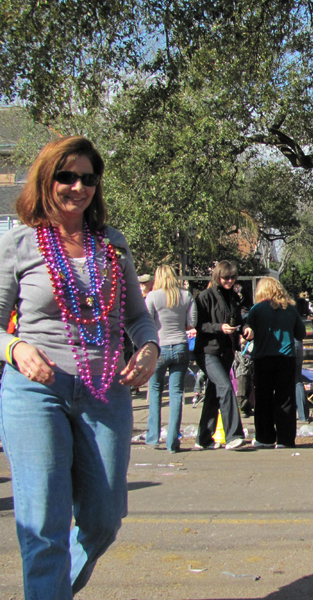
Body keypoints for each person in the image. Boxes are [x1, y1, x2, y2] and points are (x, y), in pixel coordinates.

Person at [0, 136, 160, 599]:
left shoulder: (112, 244)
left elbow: (136, 317)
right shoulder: (19, 243)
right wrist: (14, 349)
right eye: (66, 176)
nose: (77, 187)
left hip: (104, 390)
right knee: (43, 523)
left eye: (88, 178)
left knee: (104, 519)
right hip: (36, 392)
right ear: (46, 180)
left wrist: (147, 348)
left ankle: (52, 590)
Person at [243, 277, 306, 449]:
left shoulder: (256, 310)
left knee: (263, 399)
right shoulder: (290, 310)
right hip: (286, 358)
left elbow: (249, 332)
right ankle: (285, 439)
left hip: (263, 357)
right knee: (285, 399)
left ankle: (265, 438)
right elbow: (300, 333)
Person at [193, 260, 246, 451]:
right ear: (218, 276)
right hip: (207, 351)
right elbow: (199, 324)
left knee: (213, 393)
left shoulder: (233, 297)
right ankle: (234, 435)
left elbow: (239, 319)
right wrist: (219, 327)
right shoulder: (205, 296)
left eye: (232, 278)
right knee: (225, 388)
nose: (229, 281)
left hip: (226, 350)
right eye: (226, 277)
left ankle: (203, 438)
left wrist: (245, 329)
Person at [144, 265, 196, 453]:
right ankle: (173, 441)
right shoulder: (186, 296)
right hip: (180, 345)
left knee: (156, 390)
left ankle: (153, 437)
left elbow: (146, 321)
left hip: (159, 346)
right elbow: (192, 322)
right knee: (176, 393)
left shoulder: (153, 296)